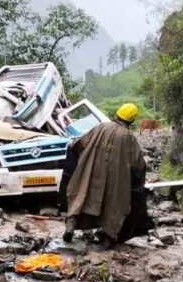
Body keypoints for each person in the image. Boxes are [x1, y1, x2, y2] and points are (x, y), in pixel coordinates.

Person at [63, 103, 154, 247]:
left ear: (117, 114)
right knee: (114, 205)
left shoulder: (100, 127)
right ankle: (108, 236)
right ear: (131, 120)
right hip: (115, 180)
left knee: (81, 196)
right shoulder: (128, 137)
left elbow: (78, 144)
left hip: (90, 175)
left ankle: (71, 225)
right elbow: (139, 165)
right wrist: (137, 185)